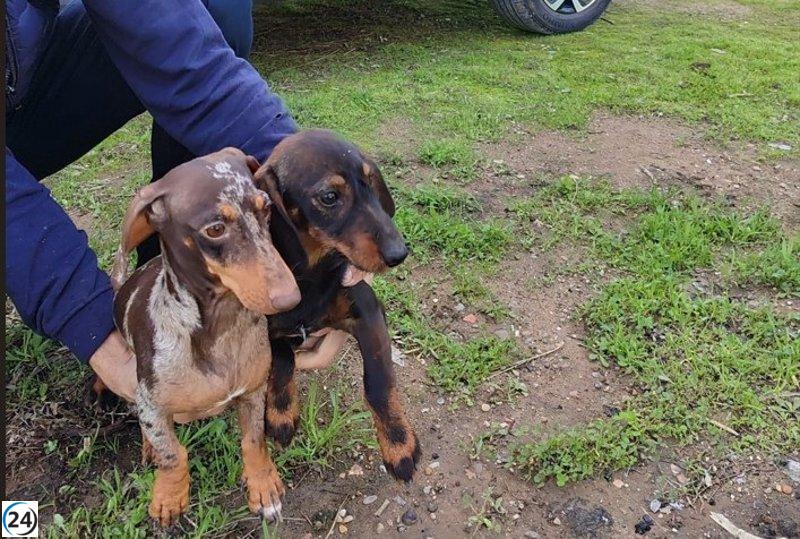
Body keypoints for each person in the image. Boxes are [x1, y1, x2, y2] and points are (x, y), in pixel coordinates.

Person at [5, 0, 352, 404]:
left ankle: (169, 281)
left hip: (24, 82)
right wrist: (95, 328)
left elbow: (187, 53)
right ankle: (146, 321)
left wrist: (323, 206)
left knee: (219, 8)